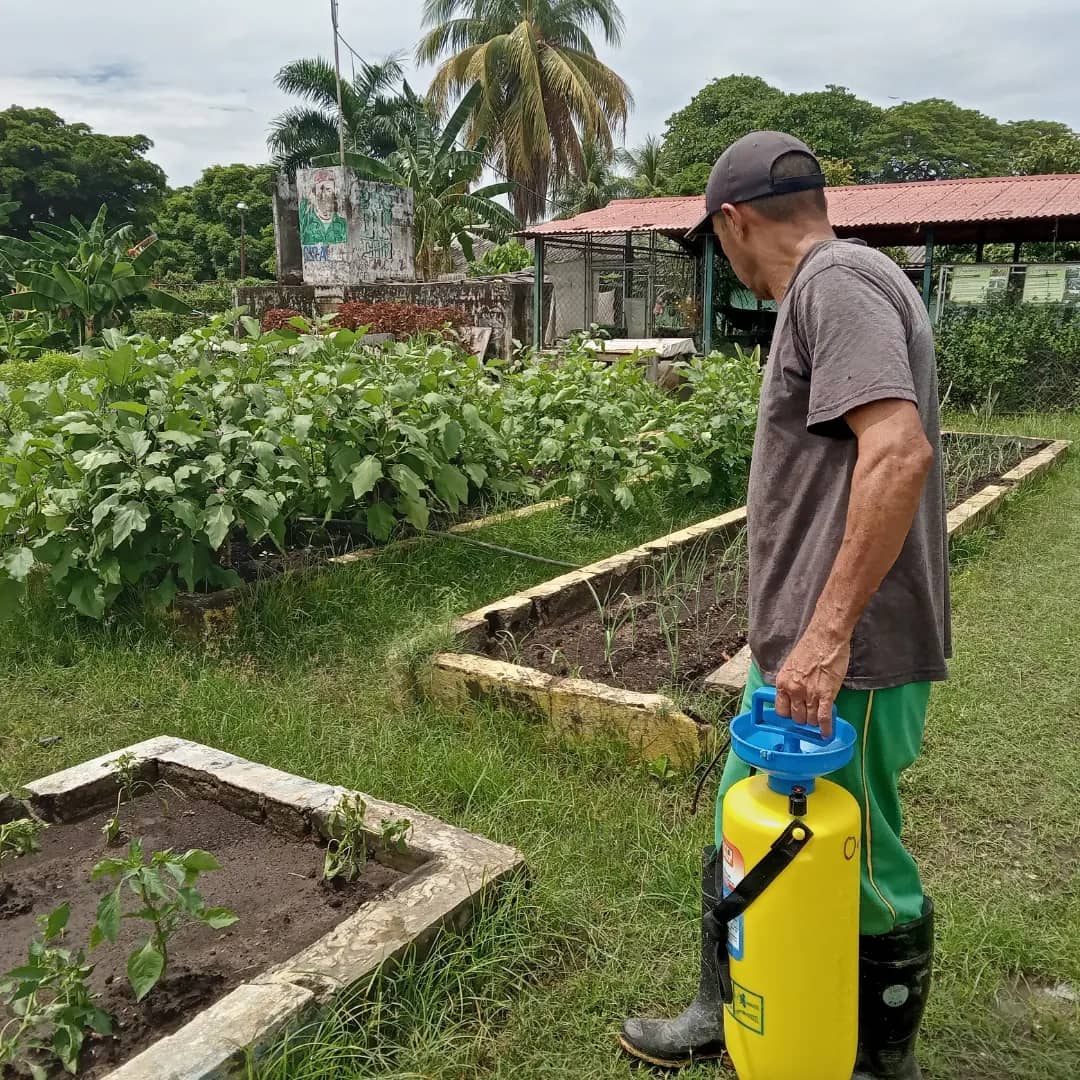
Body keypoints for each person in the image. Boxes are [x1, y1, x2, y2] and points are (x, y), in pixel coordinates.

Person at [619, 132, 950, 1080]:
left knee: (862, 856)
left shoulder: (836, 285)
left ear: (734, 222)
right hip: (808, 652)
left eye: (715, 242)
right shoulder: (837, 284)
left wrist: (825, 637)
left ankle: (882, 1059)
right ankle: (733, 1019)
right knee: (747, 825)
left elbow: (899, 452)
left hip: (850, 656)